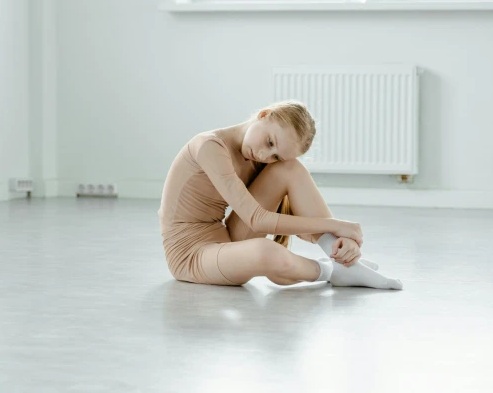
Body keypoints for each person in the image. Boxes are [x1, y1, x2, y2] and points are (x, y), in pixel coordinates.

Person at [158, 100, 403, 290]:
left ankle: (343, 260)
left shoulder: (257, 156)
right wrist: (337, 225)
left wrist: (340, 240)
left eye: (275, 155)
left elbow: (299, 226)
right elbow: (257, 220)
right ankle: (334, 271)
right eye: (270, 142)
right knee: (267, 251)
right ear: (264, 114)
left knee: (291, 168)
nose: (265, 155)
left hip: (225, 239)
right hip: (192, 256)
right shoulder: (210, 146)